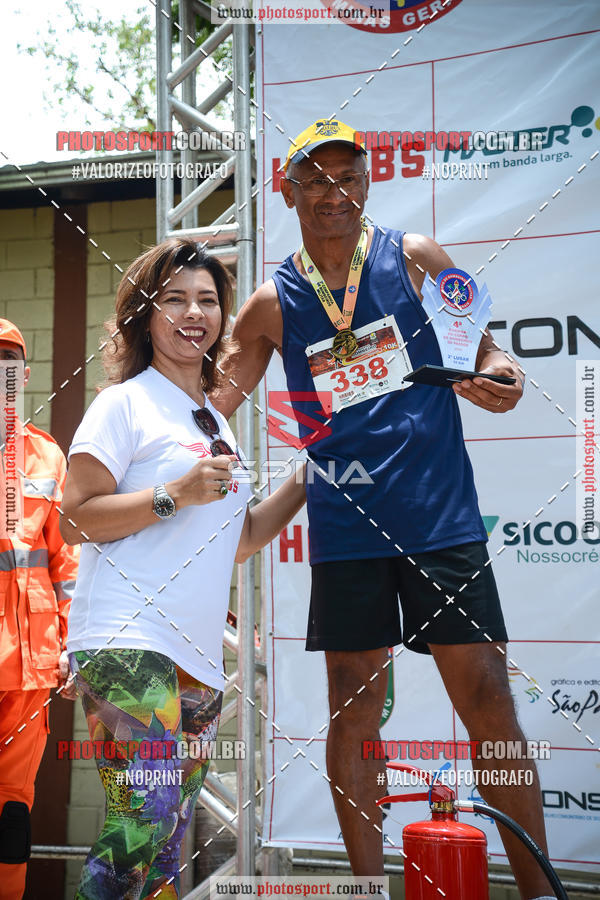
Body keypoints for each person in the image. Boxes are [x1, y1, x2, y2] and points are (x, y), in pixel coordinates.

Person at [213, 119, 557, 900]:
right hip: (346, 528)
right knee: (353, 709)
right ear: (287, 190)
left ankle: (539, 892)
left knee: (489, 699)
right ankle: (367, 890)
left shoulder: (416, 257)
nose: (333, 195)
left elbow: (489, 354)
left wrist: (497, 374)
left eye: (347, 178)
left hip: (441, 523)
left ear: (367, 184)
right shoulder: (272, 302)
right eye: (315, 179)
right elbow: (212, 401)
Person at [59, 240, 306, 900]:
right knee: (143, 816)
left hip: (195, 656)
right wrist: (174, 492)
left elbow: (241, 538)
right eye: (174, 299)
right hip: (125, 638)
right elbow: (74, 518)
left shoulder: (213, 424)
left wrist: (311, 474)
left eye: (207, 300)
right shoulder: (124, 404)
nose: (193, 313)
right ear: (144, 314)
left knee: (167, 842)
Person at [0, 318, 79, 900]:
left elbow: (67, 564)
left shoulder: (48, 457)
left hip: (30, 669)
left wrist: (73, 645)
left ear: (24, 377)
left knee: (11, 812)